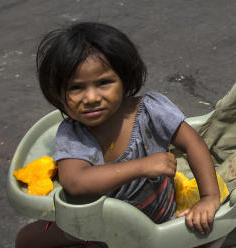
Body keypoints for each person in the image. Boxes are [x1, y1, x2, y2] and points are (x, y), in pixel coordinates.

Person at [15, 22, 221, 248]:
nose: (91, 97)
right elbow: (75, 182)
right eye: (76, 88)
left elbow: (194, 144)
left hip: (158, 221)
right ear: (57, 93)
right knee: (26, 239)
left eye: (104, 83)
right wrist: (143, 166)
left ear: (124, 79)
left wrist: (209, 197)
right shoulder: (74, 133)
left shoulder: (150, 111)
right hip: (98, 228)